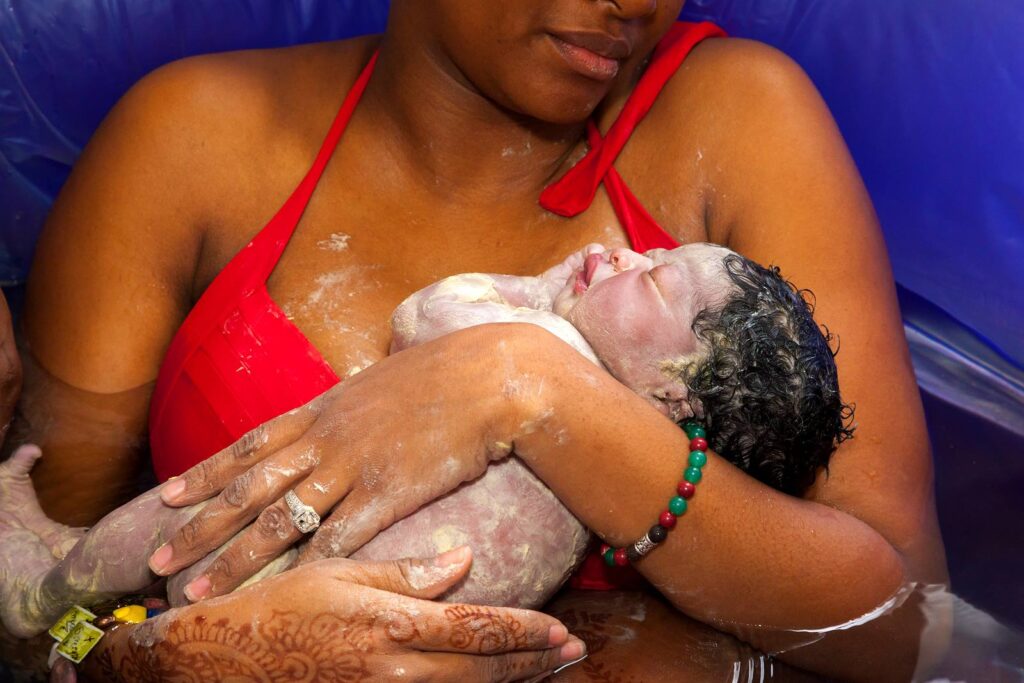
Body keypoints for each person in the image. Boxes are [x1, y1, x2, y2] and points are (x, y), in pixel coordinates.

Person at [4, 1, 948, 680]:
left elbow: (903, 629)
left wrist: (533, 392)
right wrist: (154, 661)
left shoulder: (741, 119)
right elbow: (28, 609)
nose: (635, 5)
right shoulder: (192, 142)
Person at [0, 240, 853, 642]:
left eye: (655, 276)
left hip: (272, 546)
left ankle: (38, 594)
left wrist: (545, 289)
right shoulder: (612, 481)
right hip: (334, 615)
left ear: (670, 391)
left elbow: (425, 313)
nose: (627, 251)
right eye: (655, 248)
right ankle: (78, 617)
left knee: (165, 527)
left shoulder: (550, 350)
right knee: (150, 628)